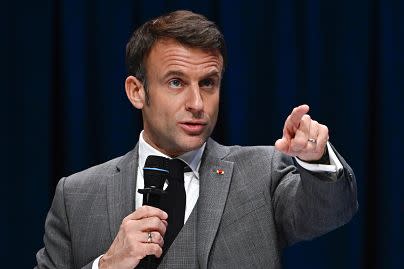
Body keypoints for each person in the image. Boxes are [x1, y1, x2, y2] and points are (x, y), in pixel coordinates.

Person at [35, 10, 358, 269]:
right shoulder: (76, 195)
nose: (197, 104)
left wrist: (315, 159)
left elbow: (331, 211)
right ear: (137, 91)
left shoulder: (263, 172)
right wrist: (105, 266)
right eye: (176, 82)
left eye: (208, 83)